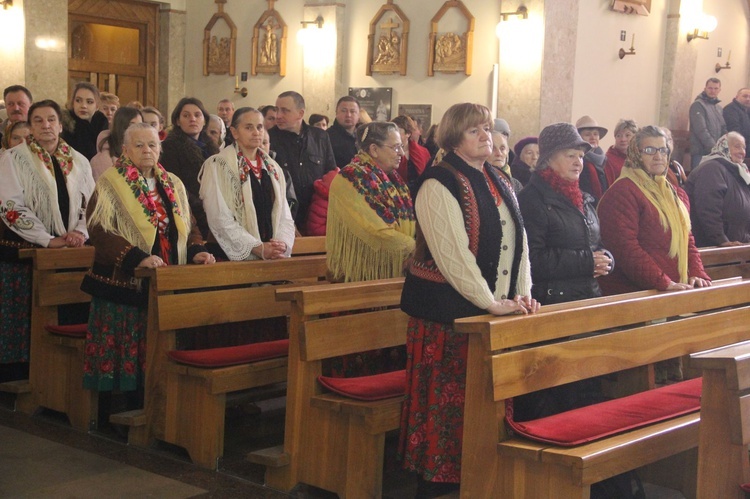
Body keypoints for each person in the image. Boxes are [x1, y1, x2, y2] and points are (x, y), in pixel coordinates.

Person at [399, 103, 537, 497]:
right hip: (447, 317)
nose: (485, 137)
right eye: (475, 130)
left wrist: (522, 295)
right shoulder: (438, 182)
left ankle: (481, 480)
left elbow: (520, 245)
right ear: (453, 136)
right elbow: (452, 254)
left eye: (488, 129)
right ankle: (437, 488)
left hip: (491, 314)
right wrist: (490, 302)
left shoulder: (496, 177)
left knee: (483, 410)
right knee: (446, 412)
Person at [81, 123, 214, 410]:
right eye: (139, 145)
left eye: (152, 145)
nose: (147, 151)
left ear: (160, 148)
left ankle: (157, 404)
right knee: (126, 349)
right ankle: (119, 409)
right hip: (124, 282)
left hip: (167, 280)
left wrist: (197, 250)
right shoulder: (110, 182)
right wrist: (136, 257)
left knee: (158, 345)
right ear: (126, 150)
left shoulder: (173, 182)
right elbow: (99, 229)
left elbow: (188, 226)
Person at [0, 99, 95, 380]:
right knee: (25, 316)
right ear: (30, 127)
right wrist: (46, 239)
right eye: (38, 121)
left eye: (51, 119)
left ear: (61, 125)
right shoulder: (13, 158)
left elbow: (90, 205)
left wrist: (80, 232)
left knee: (68, 309)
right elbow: (11, 206)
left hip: (70, 251)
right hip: (27, 251)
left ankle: (60, 377)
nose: (46, 126)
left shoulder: (78, 160)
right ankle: (21, 376)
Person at [598, 125, 711, 295]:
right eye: (649, 150)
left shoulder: (677, 194)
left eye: (663, 150)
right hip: (636, 293)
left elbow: (687, 240)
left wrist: (697, 273)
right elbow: (625, 248)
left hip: (672, 288)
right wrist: (662, 281)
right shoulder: (623, 192)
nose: (658, 156)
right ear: (636, 154)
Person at [518, 122, 613, 305]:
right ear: (548, 159)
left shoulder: (582, 198)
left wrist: (607, 259)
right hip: (552, 301)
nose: (578, 162)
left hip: (588, 295)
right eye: (571, 156)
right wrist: (587, 262)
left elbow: (595, 243)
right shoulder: (532, 199)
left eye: (581, 156)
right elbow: (533, 259)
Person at [199, 107, 295, 261]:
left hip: (271, 253)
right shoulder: (219, 165)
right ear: (235, 132)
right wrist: (257, 248)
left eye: (259, 127)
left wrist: (281, 244)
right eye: (249, 127)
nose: (256, 132)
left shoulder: (272, 167)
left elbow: (284, 214)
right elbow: (219, 217)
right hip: (229, 256)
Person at [326, 121, 415, 283]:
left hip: (395, 270)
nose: (401, 153)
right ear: (374, 149)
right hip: (361, 275)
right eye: (395, 147)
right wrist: (414, 249)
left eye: (402, 146)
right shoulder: (351, 177)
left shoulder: (393, 178)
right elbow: (375, 231)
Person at [268, 91, 336, 233]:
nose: (278, 115)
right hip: (283, 217)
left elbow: (330, 175)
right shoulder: (269, 139)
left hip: (315, 215)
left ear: (300, 113)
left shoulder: (320, 137)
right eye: (277, 110)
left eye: (285, 111)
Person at [160, 97, 219, 239]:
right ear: (178, 121)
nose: (193, 119)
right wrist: (203, 206)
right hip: (189, 211)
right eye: (186, 116)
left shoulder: (210, 146)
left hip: (214, 208)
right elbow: (175, 185)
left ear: (204, 120)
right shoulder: (170, 146)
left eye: (197, 115)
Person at [686, 132, 750, 247]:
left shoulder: (739, 172)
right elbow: (708, 211)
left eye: (744, 147)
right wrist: (721, 240)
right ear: (724, 146)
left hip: (739, 247)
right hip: (715, 247)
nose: (742, 151)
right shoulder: (711, 169)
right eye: (737, 146)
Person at [90, 107, 143, 181]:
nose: (139, 131)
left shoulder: (144, 153)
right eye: (132, 126)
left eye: (140, 126)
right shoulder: (102, 160)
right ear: (121, 127)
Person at [61, 82, 110, 161]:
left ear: (97, 106)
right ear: (73, 103)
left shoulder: (103, 126)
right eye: (78, 100)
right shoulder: (64, 128)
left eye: (89, 102)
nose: (83, 106)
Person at [689, 78, 726, 169]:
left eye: (716, 88)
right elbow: (701, 130)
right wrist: (714, 149)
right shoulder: (698, 105)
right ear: (705, 89)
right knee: (699, 179)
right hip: (700, 152)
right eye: (710, 88)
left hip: (715, 152)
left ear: (719, 90)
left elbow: (723, 128)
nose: (712, 91)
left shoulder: (718, 108)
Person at [576, 115, 610, 204]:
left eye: (595, 134)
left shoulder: (606, 161)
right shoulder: (577, 161)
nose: (593, 137)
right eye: (587, 134)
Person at [393, 115, 430, 190]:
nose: (394, 134)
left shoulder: (423, 152)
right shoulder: (389, 151)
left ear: (408, 134)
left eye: (397, 131)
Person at [327, 96, 360, 168]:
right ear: (336, 113)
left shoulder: (364, 136)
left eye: (352, 111)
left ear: (359, 115)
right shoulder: (326, 137)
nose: (348, 115)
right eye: (344, 111)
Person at [605, 119, 637, 184]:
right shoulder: (608, 160)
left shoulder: (639, 157)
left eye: (627, 135)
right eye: (619, 136)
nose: (623, 139)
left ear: (635, 137)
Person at [723, 87, 750, 153]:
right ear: (737, 97)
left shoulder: (746, 110)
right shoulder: (731, 109)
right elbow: (734, 130)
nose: (748, 99)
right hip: (738, 148)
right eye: (745, 96)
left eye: (749, 97)